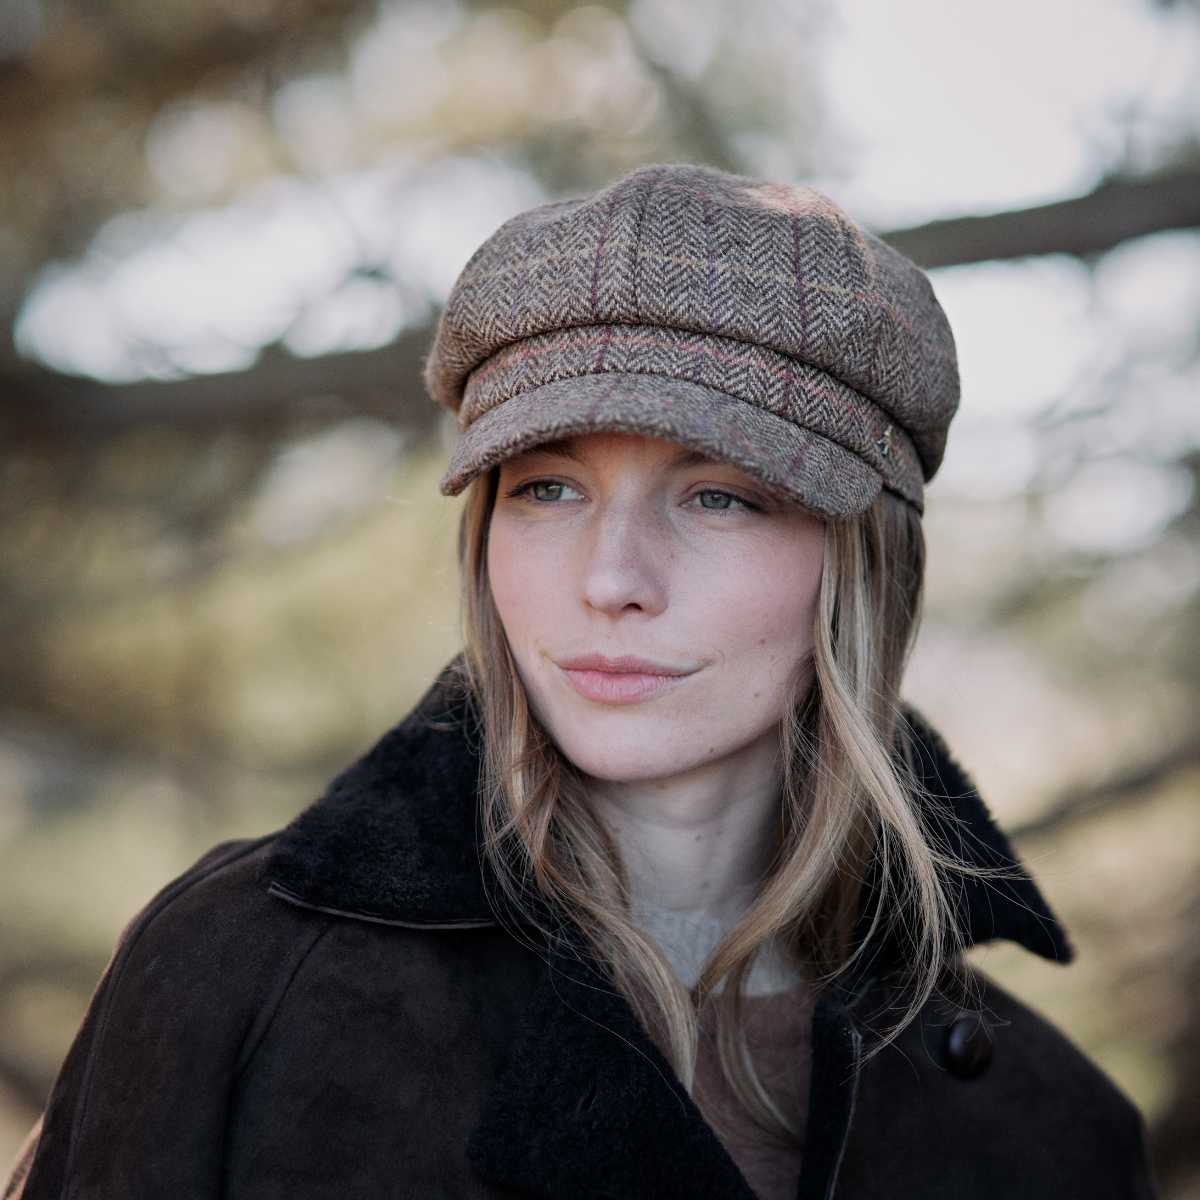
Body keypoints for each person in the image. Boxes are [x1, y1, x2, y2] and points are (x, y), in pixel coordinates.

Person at [5, 164, 1154, 1200]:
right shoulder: (238, 977)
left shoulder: (1053, 1126)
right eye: (548, 487)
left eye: (722, 495)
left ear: (865, 566)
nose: (611, 579)